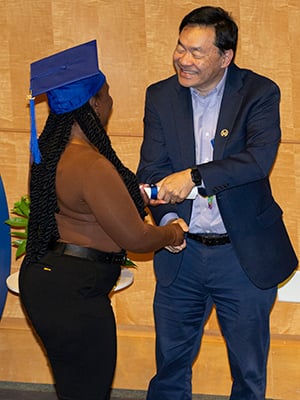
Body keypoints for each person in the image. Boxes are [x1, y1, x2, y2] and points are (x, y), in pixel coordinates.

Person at [137, 6, 298, 400]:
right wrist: (170, 220)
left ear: (225, 57)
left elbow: (258, 161)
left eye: (196, 52)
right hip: (183, 254)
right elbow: (151, 169)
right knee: (170, 367)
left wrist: (194, 176)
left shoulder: (259, 93)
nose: (183, 59)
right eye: (180, 47)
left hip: (240, 256)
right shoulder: (160, 96)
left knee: (248, 373)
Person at [19, 40, 187, 400]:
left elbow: (83, 207)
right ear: (93, 105)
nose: (111, 102)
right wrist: (172, 232)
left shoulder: (50, 154)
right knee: (89, 391)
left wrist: (133, 194)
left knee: (74, 388)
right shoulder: (93, 165)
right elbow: (137, 239)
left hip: (49, 282)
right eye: (107, 95)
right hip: (76, 296)